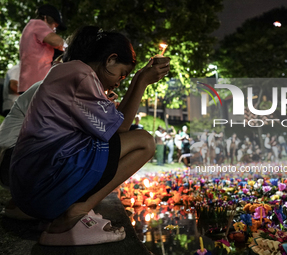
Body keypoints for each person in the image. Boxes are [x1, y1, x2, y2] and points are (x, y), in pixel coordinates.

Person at [10, 26, 170, 246]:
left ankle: (69, 211)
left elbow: (117, 125)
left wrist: (139, 78)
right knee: (144, 142)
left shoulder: (70, 71)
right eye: (121, 74)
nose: (118, 82)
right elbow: (119, 129)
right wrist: (141, 80)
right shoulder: (80, 74)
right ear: (110, 59)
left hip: (31, 185)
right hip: (41, 182)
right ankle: (73, 216)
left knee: (134, 135)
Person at [18, 4, 67, 93]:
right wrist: (72, 47)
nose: (54, 30)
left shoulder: (30, 27)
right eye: (54, 26)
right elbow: (57, 41)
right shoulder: (37, 24)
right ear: (45, 18)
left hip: (29, 83)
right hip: (37, 84)